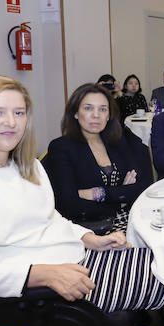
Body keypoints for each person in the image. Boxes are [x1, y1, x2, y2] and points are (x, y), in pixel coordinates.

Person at [0, 75, 164, 311]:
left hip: (79, 258)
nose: (10, 122)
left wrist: (89, 238)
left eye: (19, 113)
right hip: (39, 291)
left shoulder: (27, 166)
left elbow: (50, 219)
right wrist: (41, 275)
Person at [44, 83, 152, 233]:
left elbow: (144, 185)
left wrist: (100, 193)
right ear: (75, 113)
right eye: (88, 108)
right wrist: (121, 197)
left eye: (103, 109)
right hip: (85, 230)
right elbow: (68, 205)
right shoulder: (61, 147)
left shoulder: (119, 141)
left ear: (108, 115)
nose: (96, 115)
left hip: (129, 220)